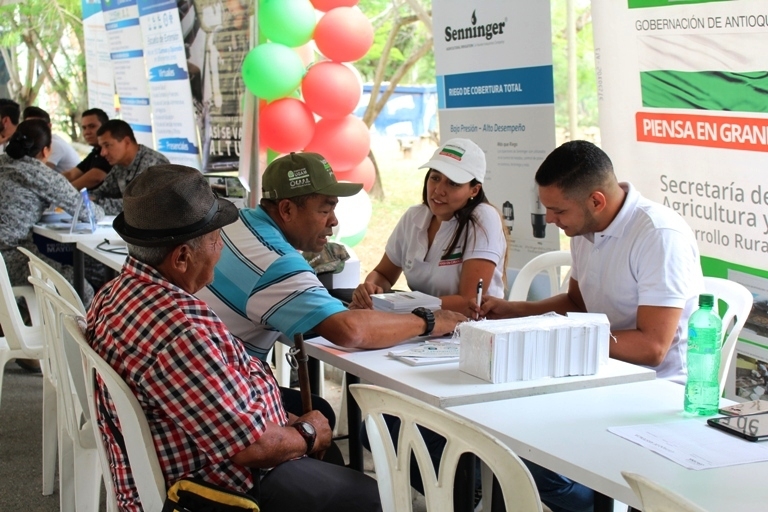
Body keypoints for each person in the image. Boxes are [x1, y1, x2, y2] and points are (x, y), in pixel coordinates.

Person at [86, 164, 382, 512]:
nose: (220, 249)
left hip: (192, 450)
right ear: (182, 257)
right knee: (366, 496)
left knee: (321, 431)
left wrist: (289, 421)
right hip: (214, 487)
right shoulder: (182, 332)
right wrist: (307, 432)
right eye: (215, 240)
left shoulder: (115, 292)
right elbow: (253, 447)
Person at [477, 140, 704, 512]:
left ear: (596, 201)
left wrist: (565, 339)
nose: (550, 219)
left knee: (525, 454)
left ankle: (603, 505)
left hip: (655, 393)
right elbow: (577, 304)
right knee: (501, 434)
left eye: (557, 210)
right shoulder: (585, 229)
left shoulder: (657, 235)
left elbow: (653, 347)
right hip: (600, 375)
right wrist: (514, 310)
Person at [196, 152, 466, 420]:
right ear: (287, 210)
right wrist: (428, 322)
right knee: (318, 418)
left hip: (202, 382)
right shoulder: (275, 260)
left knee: (317, 409)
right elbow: (350, 331)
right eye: (325, 210)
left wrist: (344, 311)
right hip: (218, 398)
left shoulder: (236, 221)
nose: (333, 221)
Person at [350, 138, 507, 318]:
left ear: (474, 190)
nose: (438, 190)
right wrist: (371, 288)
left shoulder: (483, 218)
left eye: (453, 183)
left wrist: (405, 306)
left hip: (471, 330)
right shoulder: (414, 217)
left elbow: (469, 302)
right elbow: (383, 274)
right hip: (423, 326)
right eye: (435, 178)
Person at [0, 119, 105, 373]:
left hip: (5, 257)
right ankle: (95, 362)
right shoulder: (39, 172)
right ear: (46, 151)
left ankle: (27, 341)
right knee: (78, 285)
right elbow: (88, 213)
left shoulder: (3, 163)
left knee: (43, 272)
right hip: (10, 255)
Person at [90, 119, 169, 214]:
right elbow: (101, 192)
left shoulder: (153, 163)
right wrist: (89, 199)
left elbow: (139, 205)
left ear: (127, 142)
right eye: (102, 147)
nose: (103, 153)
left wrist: (93, 204)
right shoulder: (120, 164)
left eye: (107, 145)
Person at [60, 108, 112, 190]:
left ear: (105, 127)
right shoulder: (96, 152)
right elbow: (71, 174)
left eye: (92, 126)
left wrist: (64, 190)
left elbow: (95, 178)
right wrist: (50, 182)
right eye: (84, 128)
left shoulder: (110, 151)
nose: (87, 132)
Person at [21, 106, 80, 173]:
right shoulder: (32, 143)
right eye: (29, 125)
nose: (33, 129)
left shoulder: (54, 144)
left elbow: (38, 173)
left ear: (49, 126)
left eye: (38, 126)